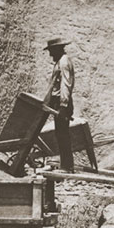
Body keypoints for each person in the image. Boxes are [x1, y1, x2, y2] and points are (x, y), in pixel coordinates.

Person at [43, 37, 75, 172]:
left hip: (62, 103)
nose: (50, 54)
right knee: (60, 134)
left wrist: (63, 105)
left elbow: (65, 85)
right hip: (58, 102)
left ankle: (67, 166)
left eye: (51, 51)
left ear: (57, 49)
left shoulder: (63, 62)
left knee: (63, 134)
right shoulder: (59, 62)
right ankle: (66, 165)